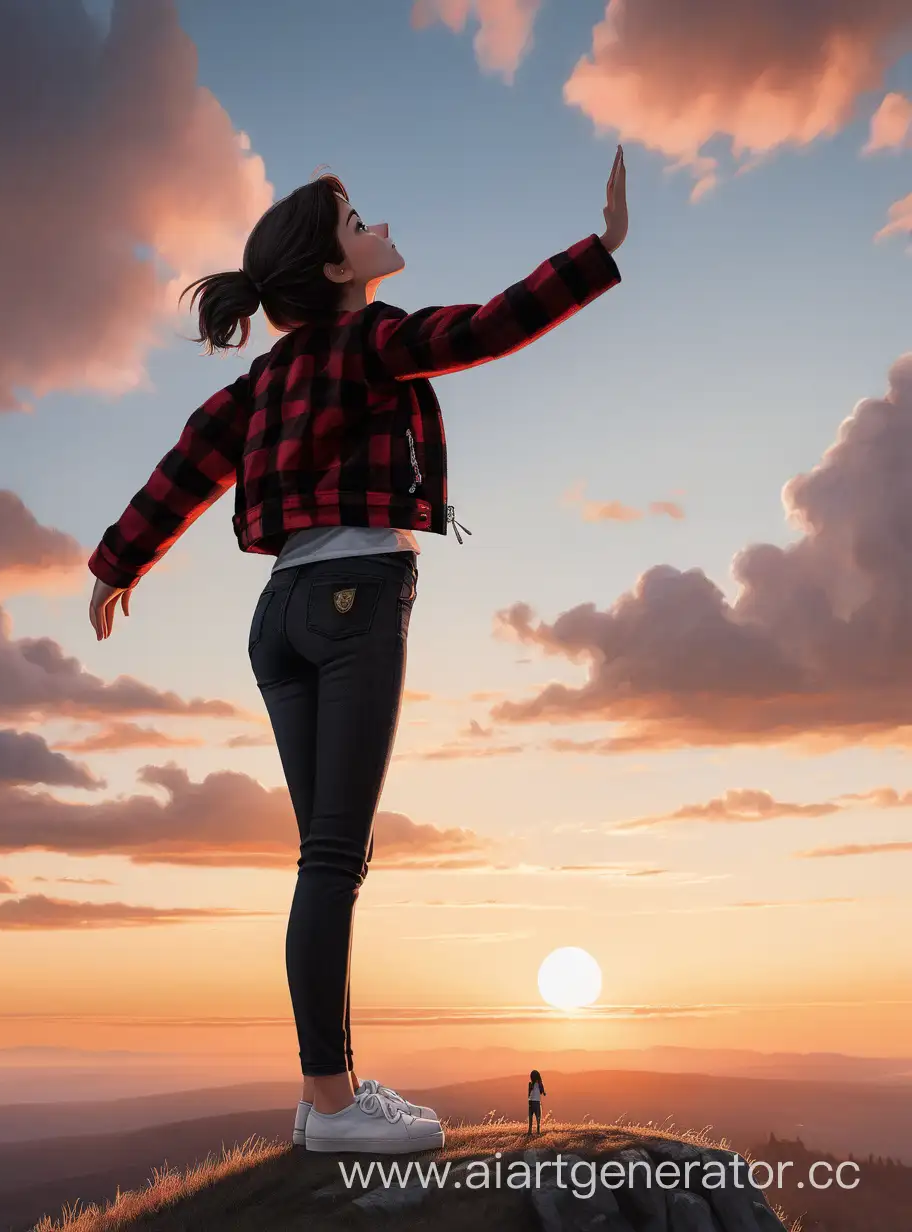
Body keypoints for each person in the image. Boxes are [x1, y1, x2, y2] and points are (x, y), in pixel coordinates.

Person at [86, 150, 628, 1156]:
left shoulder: (259, 381)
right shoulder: (374, 342)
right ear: (338, 271)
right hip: (350, 603)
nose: (378, 226)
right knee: (334, 857)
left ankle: (322, 1091)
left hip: (277, 619)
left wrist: (118, 564)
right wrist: (598, 252)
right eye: (358, 221)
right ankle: (332, 1105)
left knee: (325, 859)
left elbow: (184, 465)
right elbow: (484, 328)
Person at [527, 1069, 546, 1135]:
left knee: (531, 1117)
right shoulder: (539, 1084)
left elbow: (528, 1094)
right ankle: (537, 1131)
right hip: (536, 1102)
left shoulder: (531, 1084)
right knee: (538, 1117)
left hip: (531, 1102)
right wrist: (543, 1092)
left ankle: (530, 1131)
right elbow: (542, 1092)